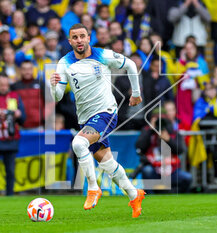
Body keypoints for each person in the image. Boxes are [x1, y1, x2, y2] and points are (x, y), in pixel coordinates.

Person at [50, 23, 145, 218]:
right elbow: (58, 96)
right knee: (107, 162)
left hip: (106, 113)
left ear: (88, 38)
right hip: (86, 119)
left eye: (82, 36)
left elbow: (130, 64)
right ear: (70, 41)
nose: (79, 40)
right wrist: (53, 86)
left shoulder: (102, 55)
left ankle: (93, 188)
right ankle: (134, 195)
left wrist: (136, 93)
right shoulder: (64, 63)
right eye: (75, 37)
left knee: (78, 143)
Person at [135, 103, 192, 193]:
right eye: (157, 118)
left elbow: (180, 150)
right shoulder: (147, 131)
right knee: (147, 171)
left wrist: (168, 139)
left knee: (187, 178)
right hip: (154, 169)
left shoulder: (172, 132)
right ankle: (151, 198)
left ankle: (172, 194)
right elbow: (139, 147)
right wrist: (150, 129)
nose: (159, 122)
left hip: (171, 170)